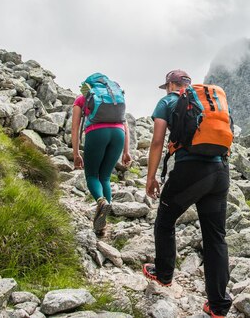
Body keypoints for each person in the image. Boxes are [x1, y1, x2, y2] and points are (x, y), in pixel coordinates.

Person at [143, 69, 232, 318]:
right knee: (216, 237)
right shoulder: (212, 101)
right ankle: (218, 306)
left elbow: (158, 141)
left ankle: (163, 274)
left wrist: (151, 178)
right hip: (220, 172)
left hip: (190, 170)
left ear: (171, 84)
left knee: (165, 220)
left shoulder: (168, 101)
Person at [71, 87, 131, 236]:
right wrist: (126, 151)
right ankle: (102, 224)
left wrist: (76, 153)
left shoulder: (81, 99)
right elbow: (126, 125)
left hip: (96, 133)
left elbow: (75, 128)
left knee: (92, 175)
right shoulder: (115, 100)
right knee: (105, 177)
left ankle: (100, 200)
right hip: (118, 134)